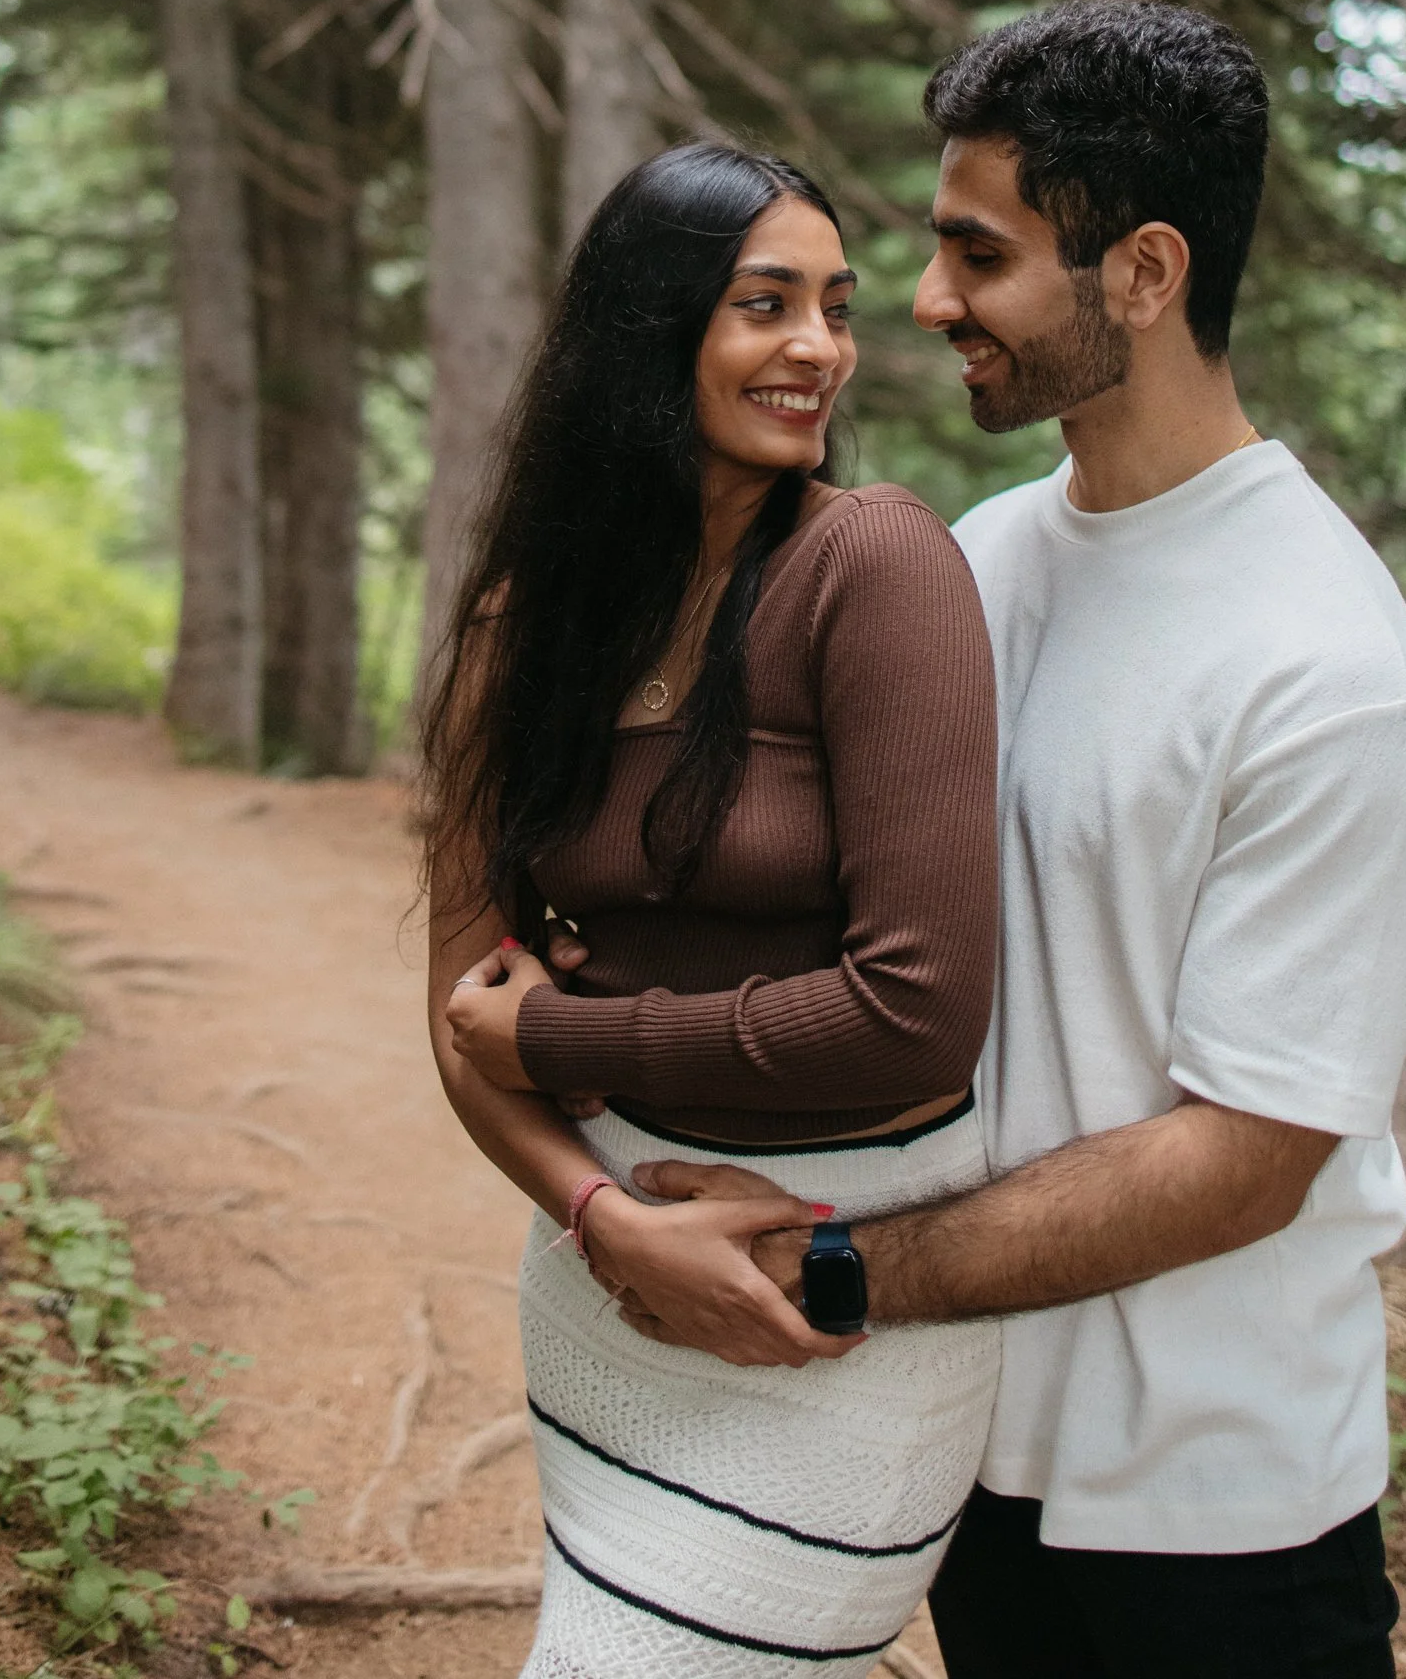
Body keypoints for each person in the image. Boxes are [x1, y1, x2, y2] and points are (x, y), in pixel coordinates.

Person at [622, 5, 1406, 1679]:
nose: (930, 302)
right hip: (968, 1451)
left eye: (980, 254)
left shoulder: (1338, 680)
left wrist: (830, 1273)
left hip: (1208, 1526)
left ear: (1145, 274)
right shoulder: (983, 559)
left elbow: (1247, 1155)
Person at [424, 139, 1004, 1679]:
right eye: (765, 304)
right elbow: (455, 1021)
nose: (819, 347)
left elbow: (919, 1015)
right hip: (606, 1295)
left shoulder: (871, 564)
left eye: (835, 305)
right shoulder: (525, 629)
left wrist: (567, 1031)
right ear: (649, 329)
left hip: (836, 1301)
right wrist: (605, 1219)